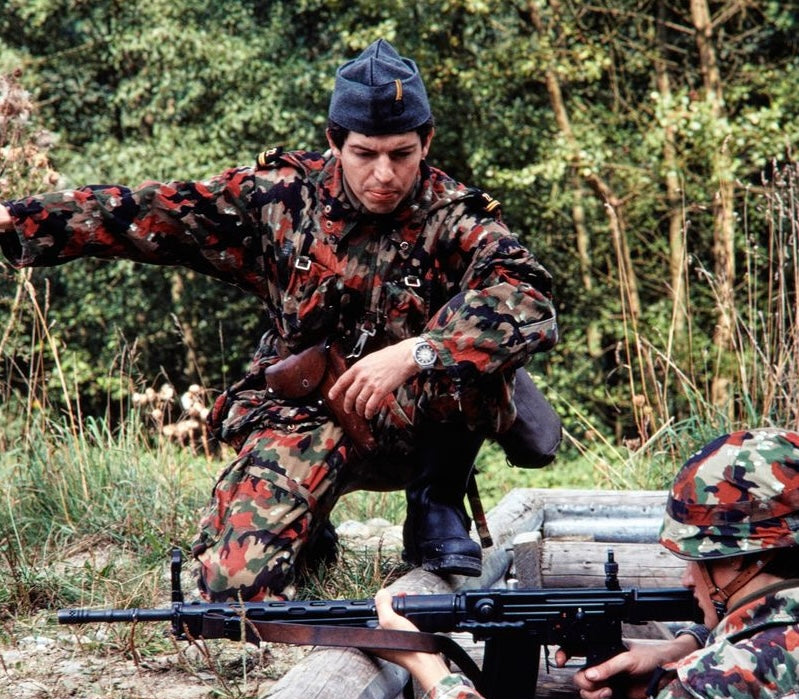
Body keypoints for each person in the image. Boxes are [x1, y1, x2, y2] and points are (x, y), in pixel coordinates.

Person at [0, 40, 560, 601]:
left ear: (426, 143)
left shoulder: (454, 216)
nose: (384, 174)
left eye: (402, 153)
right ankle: (309, 527)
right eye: (365, 153)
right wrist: (21, 221)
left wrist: (417, 350)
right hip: (307, 411)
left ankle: (435, 505)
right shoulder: (281, 199)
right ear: (334, 142)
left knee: (467, 353)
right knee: (238, 584)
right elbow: (154, 212)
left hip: (418, 422)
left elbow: (527, 295)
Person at [375, 427, 799, 699]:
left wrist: (431, 674)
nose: (688, 579)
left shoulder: (712, 690)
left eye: (696, 559)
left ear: (742, 558)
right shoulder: (734, 667)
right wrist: (679, 652)